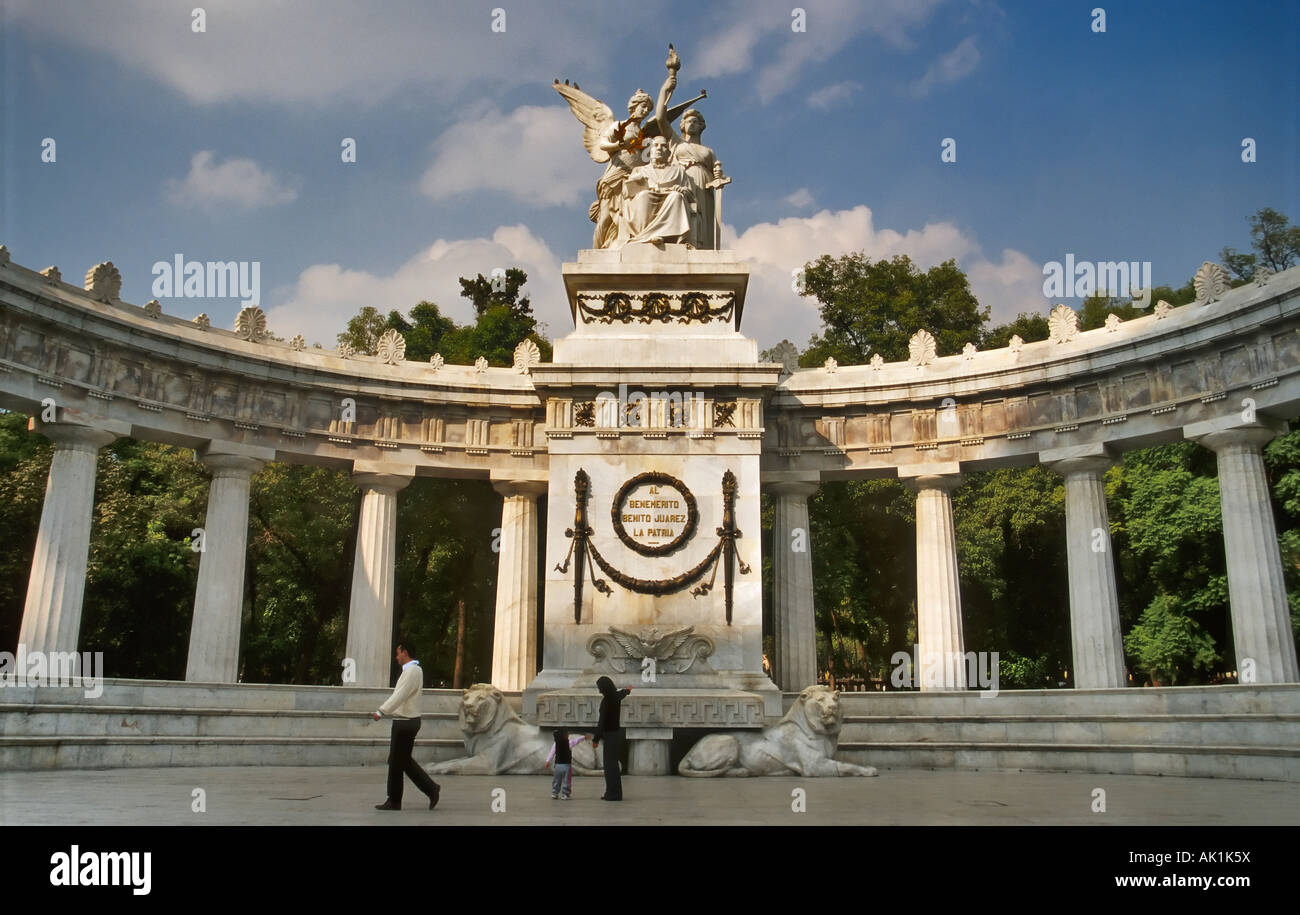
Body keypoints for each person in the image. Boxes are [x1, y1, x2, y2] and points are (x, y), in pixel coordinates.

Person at [371, 641, 441, 811]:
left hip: (405, 722)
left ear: (405, 652)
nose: (396, 657)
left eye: (398, 653)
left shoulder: (412, 671)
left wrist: (381, 711)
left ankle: (395, 800)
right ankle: (431, 789)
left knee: (396, 762)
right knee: (402, 761)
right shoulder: (413, 671)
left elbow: (400, 695)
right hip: (406, 721)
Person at [622, 136, 694, 246]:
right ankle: (644, 236)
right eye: (655, 145)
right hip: (647, 198)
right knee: (644, 196)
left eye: (664, 146)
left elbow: (690, 195)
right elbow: (626, 194)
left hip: (669, 199)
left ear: (669, 153)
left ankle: (664, 235)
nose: (659, 148)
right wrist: (634, 181)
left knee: (676, 197)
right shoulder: (640, 170)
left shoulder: (678, 171)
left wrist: (682, 190)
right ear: (650, 151)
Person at [590, 676, 631, 801]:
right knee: (613, 765)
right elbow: (622, 694)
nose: (599, 690)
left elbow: (601, 722)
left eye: (600, 688)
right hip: (616, 733)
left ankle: (612, 793)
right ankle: (614, 793)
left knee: (609, 766)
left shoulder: (607, 701)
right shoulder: (615, 697)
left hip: (609, 735)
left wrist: (596, 739)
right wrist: (628, 690)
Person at [546, 728, 586, 799]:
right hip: (566, 766)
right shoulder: (569, 743)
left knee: (556, 780)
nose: (568, 735)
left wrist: (547, 761)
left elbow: (551, 753)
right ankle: (565, 794)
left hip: (557, 766)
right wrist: (584, 737)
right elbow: (576, 741)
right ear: (564, 736)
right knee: (566, 780)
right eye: (567, 734)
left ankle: (554, 793)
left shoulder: (555, 744)